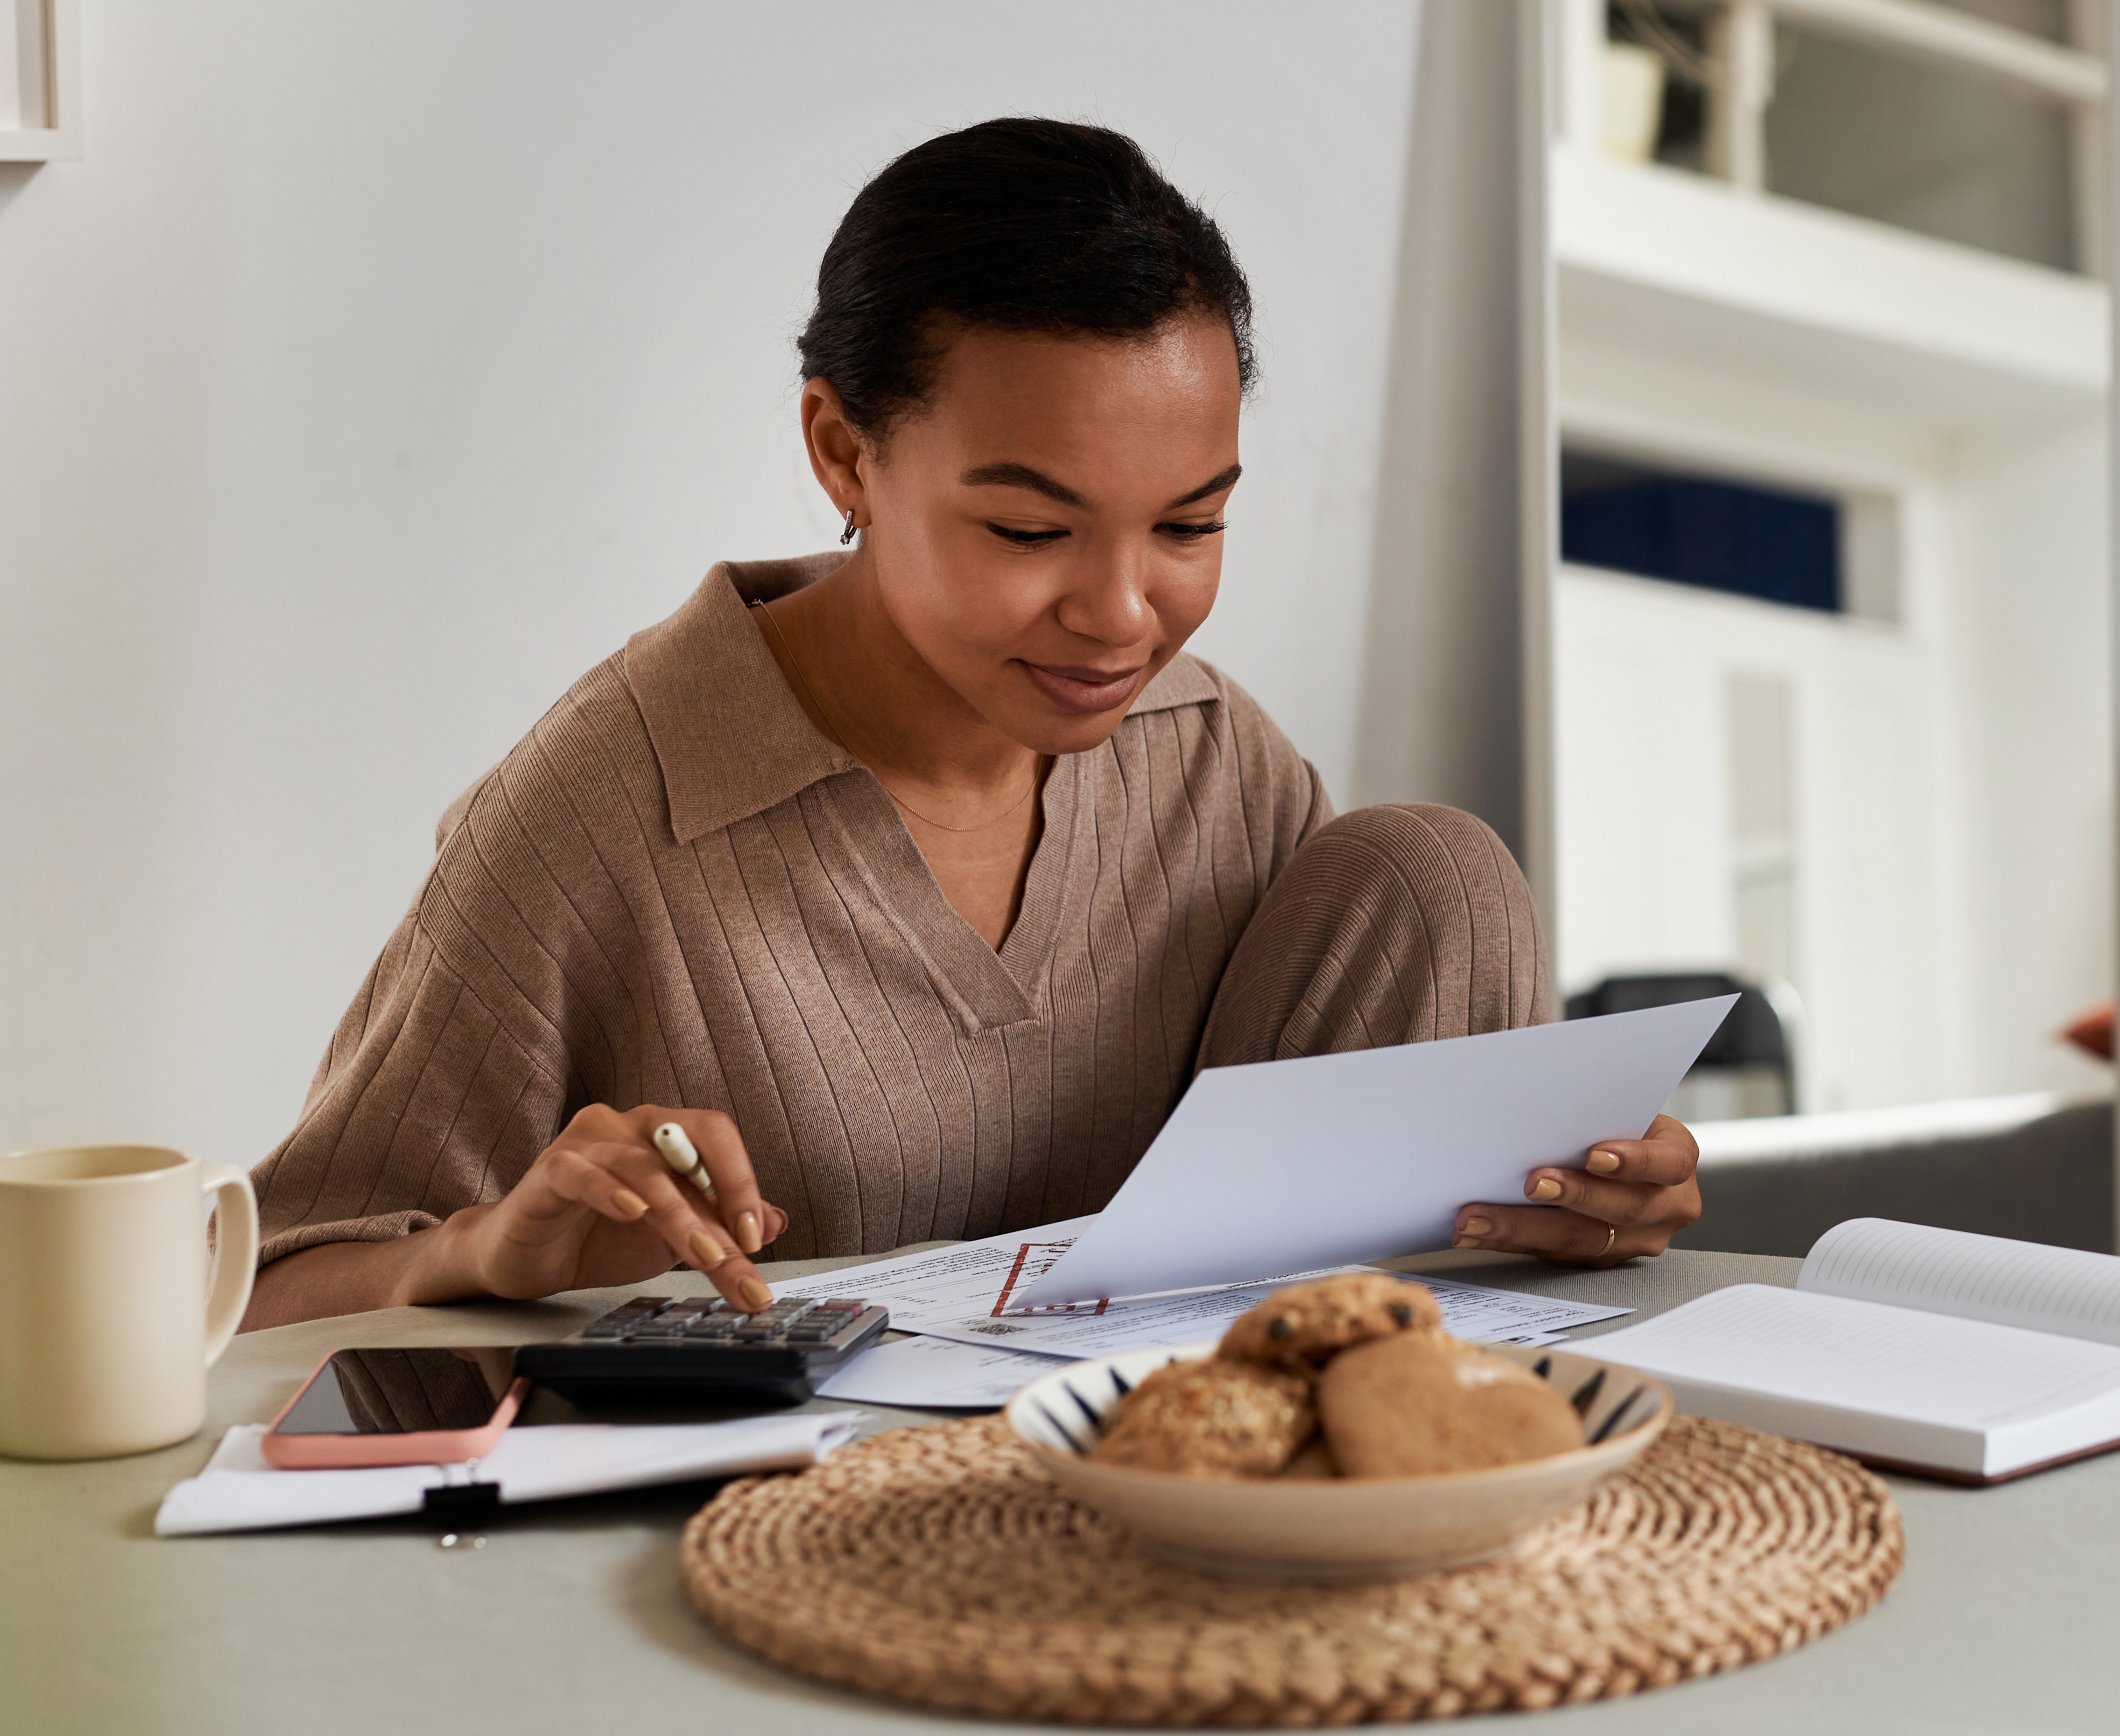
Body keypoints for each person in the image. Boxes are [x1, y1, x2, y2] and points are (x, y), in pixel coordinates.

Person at [244, 119, 1702, 1330]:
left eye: (1191, 524)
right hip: (781, 1537)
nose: (1123, 615)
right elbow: (263, 1290)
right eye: (1028, 529)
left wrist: (1571, 1198)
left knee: (1433, 873)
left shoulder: (1209, 759)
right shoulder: (602, 818)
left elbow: (1375, 1185)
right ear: (844, 452)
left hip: (1191, 1504)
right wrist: (478, 1251)